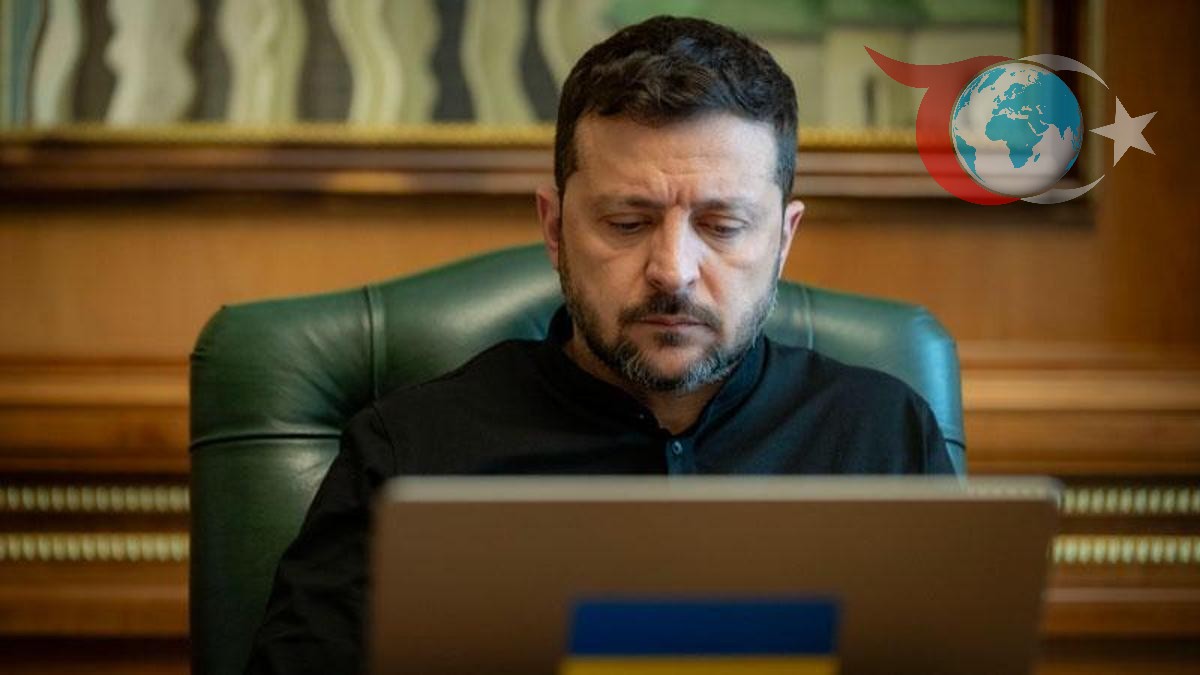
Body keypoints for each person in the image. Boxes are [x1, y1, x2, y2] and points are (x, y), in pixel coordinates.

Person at [244, 15, 955, 675]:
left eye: (722, 226)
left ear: (784, 239)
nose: (673, 270)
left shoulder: (884, 435)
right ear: (554, 229)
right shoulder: (410, 454)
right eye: (626, 222)